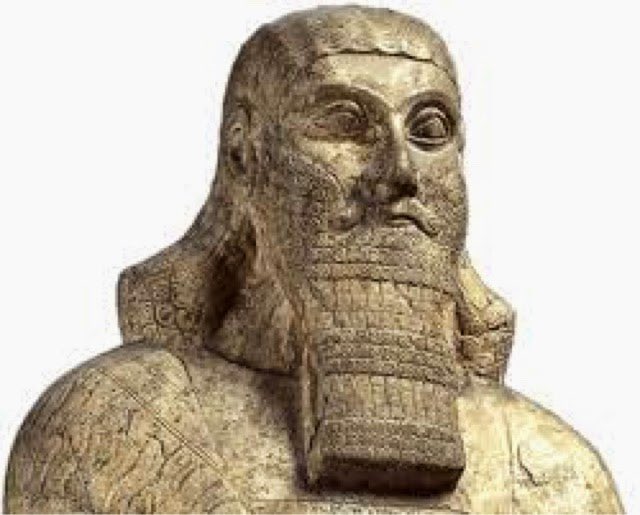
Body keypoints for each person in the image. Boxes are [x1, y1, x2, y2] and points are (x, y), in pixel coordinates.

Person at [5, 6, 623, 513]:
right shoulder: (112, 423)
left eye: (430, 130)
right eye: (345, 123)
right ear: (246, 155)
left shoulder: (548, 467)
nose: (399, 171)